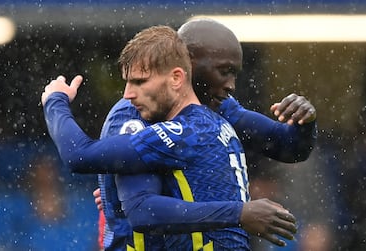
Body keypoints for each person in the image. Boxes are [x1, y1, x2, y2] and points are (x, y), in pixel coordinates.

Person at [42, 25, 298, 250]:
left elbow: (141, 209)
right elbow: (143, 209)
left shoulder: (198, 125)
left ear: (178, 77)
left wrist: (55, 101)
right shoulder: (215, 120)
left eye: (139, 82)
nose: (128, 94)